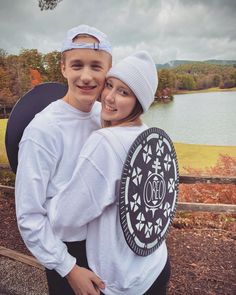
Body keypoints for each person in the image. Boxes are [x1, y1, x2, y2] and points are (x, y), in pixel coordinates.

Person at [53, 51, 171, 294]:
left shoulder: (105, 143)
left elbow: (65, 220)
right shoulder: (148, 135)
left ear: (139, 102)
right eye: (109, 85)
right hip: (156, 266)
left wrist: (52, 197)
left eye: (124, 92)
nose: (109, 97)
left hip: (121, 282)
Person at [15, 24, 112, 295]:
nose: (86, 76)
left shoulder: (105, 117)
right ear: (63, 68)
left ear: (108, 70)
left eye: (96, 66)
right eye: (77, 65)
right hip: (69, 252)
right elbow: (29, 215)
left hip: (108, 247)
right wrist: (68, 268)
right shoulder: (43, 130)